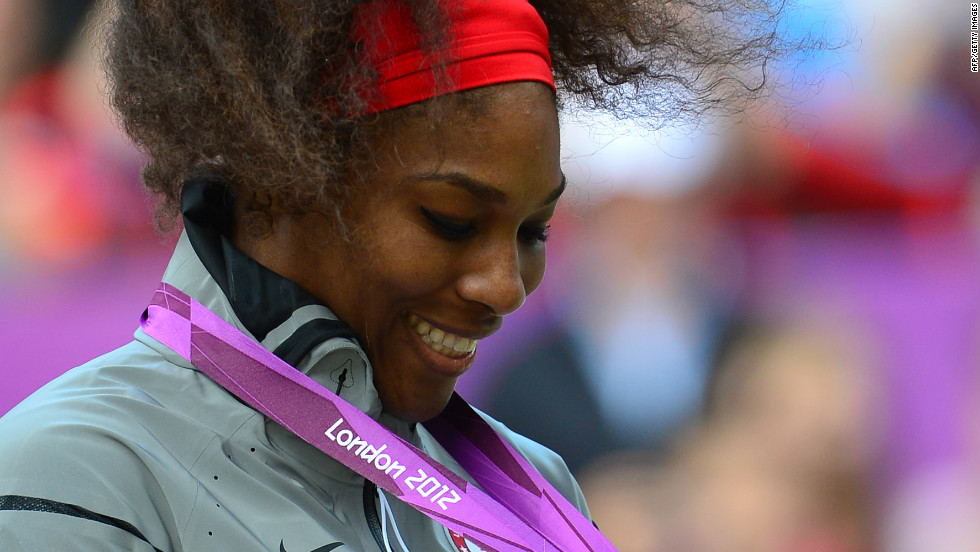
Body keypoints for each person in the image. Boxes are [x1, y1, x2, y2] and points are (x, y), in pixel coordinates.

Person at [0, 0, 793, 550]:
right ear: (282, 178)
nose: (505, 286)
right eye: (450, 221)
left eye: (533, 229)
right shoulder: (71, 473)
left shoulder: (535, 493)